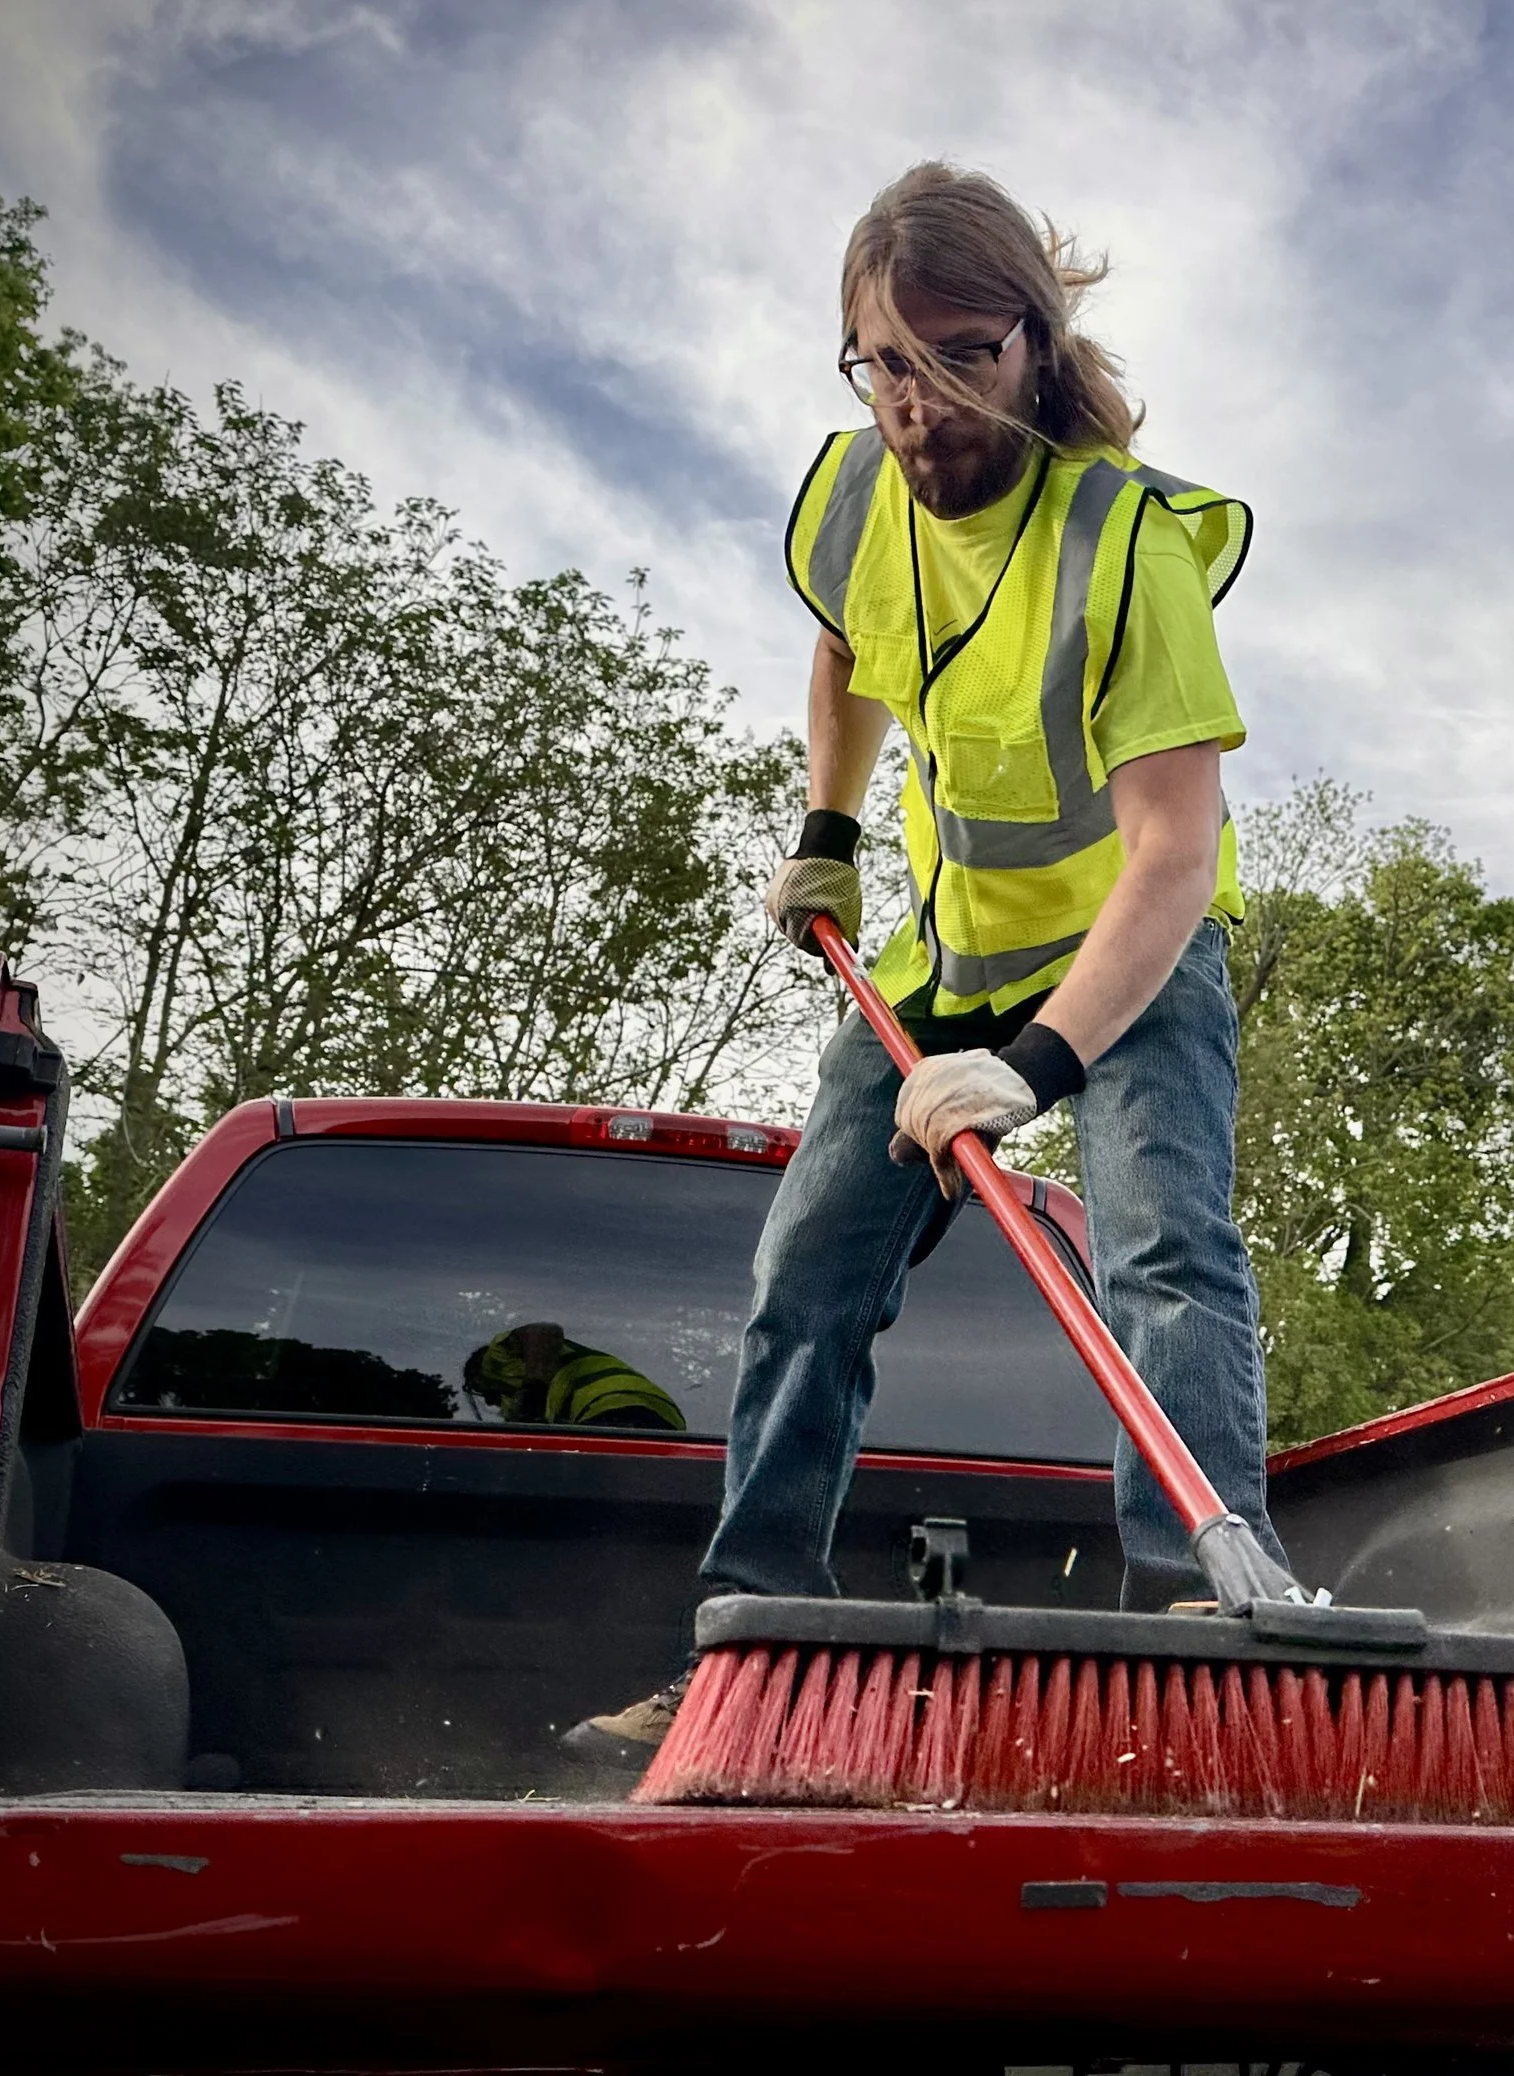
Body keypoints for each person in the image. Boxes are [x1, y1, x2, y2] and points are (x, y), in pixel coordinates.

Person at [566, 162, 1289, 1768]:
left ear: (1034, 346)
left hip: (1128, 959)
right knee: (804, 1283)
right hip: (941, 958)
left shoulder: (1128, 544)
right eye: (885, 362)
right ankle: (751, 1635)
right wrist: (829, 819)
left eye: (961, 356)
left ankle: (1210, 1614)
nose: (920, 403)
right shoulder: (849, 498)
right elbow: (844, 644)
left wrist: (1039, 1069)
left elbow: (1172, 856)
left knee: (1164, 1253)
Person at [464, 1323, 685, 1430]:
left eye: (484, 1392)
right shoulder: (559, 1399)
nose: (491, 1401)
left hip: (611, 1405)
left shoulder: (496, 1356)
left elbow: (544, 1330)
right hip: (667, 1418)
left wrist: (533, 1392)